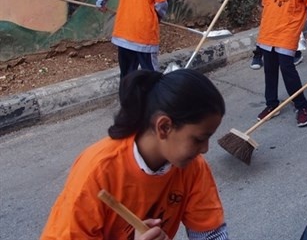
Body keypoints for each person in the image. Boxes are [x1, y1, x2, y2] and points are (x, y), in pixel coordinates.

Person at [40, 69, 230, 240]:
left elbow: (210, 233)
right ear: (164, 127)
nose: (205, 149)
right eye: (199, 139)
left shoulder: (193, 168)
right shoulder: (98, 169)